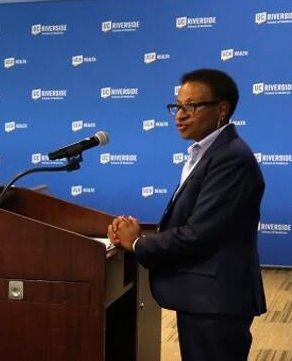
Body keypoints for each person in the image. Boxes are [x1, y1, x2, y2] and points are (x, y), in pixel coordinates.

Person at [108, 69, 265, 361]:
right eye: (177, 107)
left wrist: (139, 243)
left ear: (221, 109)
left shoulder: (231, 158)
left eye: (190, 107)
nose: (180, 115)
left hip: (217, 302)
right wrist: (135, 234)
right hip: (205, 298)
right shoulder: (210, 152)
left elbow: (199, 234)